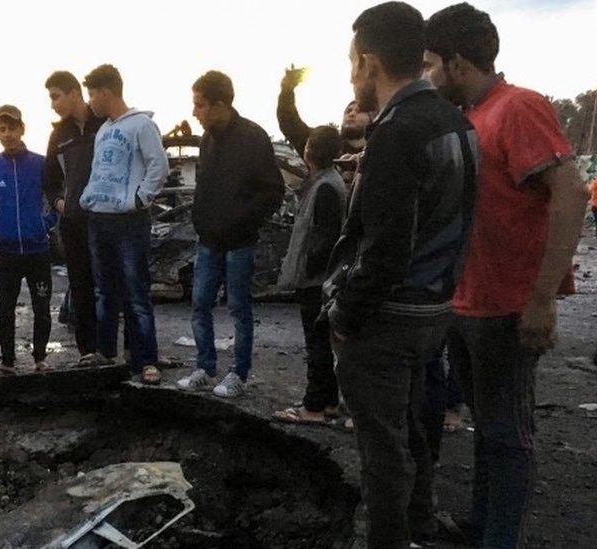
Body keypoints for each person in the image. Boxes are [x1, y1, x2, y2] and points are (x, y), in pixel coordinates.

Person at [425, 4, 589, 546]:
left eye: (430, 64)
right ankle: (480, 522)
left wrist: (542, 297)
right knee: (486, 424)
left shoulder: (518, 107)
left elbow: (568, 192)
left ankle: (499, 539)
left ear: (455, 61)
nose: (427, 75)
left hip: (508, 306)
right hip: (469, 301)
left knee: (508, 433)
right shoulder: (471, 114)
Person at [324, 3, 480, 546]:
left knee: (383, 451)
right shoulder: (456, 121)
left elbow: (385, 250)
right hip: (432, 313)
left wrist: (345, 313)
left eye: (351, 63)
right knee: (413, 433)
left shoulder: (397, 131)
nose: (350, 75)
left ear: (369, 62)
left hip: (387, 321)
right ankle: (418, 527)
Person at [176, 70, 284, 398]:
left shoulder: (253, 137)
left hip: (239, 243)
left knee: (239, 308)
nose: (194, 112)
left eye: (200, 105)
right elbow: (205, 188)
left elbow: (273, 191)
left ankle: (238, 373)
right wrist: (201, 220)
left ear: (220, 103)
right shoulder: (208, 139)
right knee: (200, 305)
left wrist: (241, 223)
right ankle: (205, 368)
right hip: (208, 241)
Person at [80, 64, 169, 385]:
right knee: (105, 291)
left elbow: (159, 165)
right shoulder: (103, 130)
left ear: (106, 91)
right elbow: (98, 169)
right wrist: (89, 196)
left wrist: (140, 198)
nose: (89, 101)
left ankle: (145, 360)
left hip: (130, 221)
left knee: (135, 291)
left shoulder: (141, 124)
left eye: (91, 94)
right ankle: (106, 352)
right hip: (99, 218)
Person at [0, 105, 58, 373]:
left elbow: (58, 195)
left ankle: (40, 358)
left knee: (42, 308)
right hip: (8, 252)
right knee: (5, 309)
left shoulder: (40, 162)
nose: (8, 133)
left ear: (22, 129)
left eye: (12, 128)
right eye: (2, 129)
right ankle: (8, 361)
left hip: (38, 250)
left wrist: (47, 224)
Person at [272, 126, 346, 421]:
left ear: (310, 151)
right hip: (319, 279)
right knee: (322, 345)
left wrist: (309, 269)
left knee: (316, 346)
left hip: (316, 282)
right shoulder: (325, 182)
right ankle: (327, 401)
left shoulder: (325, 186)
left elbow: (325, 238)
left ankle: (313, 406)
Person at [43, 70, 113, 368]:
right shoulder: (59, 135)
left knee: (110, 285)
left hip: (106, 220)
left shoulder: (107, 125)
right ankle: (87, 352)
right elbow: (49, 180)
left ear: (74, 93)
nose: (53, 104)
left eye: (56, 96)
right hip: (73, 224)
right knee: (81, 286)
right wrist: (61, 204)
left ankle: (111, 351)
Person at [277, 66, 371, 157]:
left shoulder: (380, 151)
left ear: (372, 118)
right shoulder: (323, 144)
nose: (352, 113)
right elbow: (290, 124)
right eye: (348, 111)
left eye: (360, 111)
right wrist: (287, 89)